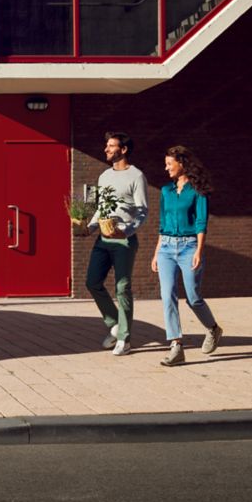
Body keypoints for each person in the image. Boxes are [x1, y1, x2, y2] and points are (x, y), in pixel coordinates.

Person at [150, 146, 223, 366]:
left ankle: (212, 329)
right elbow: (163, 224)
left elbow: (201, 222)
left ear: (181, 163)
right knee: (167, 295)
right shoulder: (166, 191)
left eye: (169, 163)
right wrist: (156, 253)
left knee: (193, 297)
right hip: (166, 249)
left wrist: (199, 251)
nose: (166, 168)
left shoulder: (197, 191)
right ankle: (176, 346)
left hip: (189, 246)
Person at [82, 131, 149, 356]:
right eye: (107, 146)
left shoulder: (136, 176)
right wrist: (89, 228)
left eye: (111, 146)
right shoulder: (103, 176)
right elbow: (100, 208)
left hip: (124, 242)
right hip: (103, 239)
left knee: (122, 288)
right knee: (92, 282)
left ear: (124, 150)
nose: (106, 150)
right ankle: (114, 323)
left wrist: (127, 230)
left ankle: (125, 339)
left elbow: (142, 210)